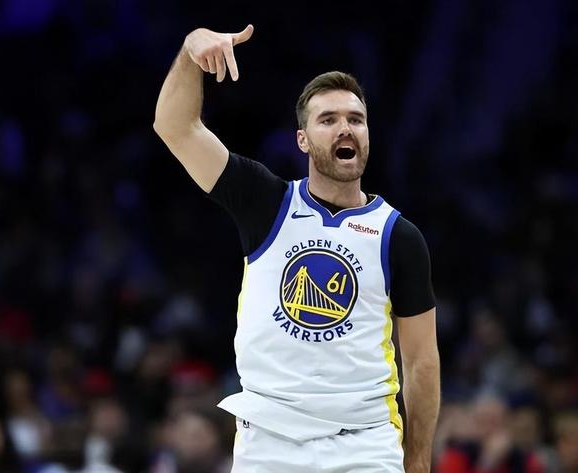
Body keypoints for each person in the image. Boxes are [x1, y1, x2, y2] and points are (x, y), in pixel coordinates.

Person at [153, 24, 440, 473]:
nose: (345, 128)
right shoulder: (266, 202)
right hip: (269, 443)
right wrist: (191, 50)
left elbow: (421, 362)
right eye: (328, 120)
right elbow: (175, 127)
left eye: (356, 119)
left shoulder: (398, 236)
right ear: (302, 139)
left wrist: (418, 459)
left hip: (365, 445)